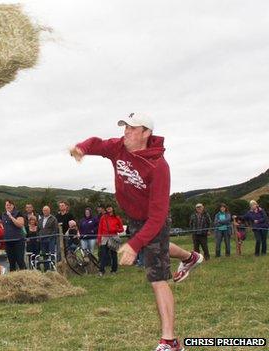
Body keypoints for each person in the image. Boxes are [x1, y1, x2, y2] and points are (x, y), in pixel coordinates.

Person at [70, 113, 201, 350]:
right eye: (125, 127)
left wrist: (134, 243)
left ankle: (170, 342)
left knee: (157, 278)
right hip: (134, 217)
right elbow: (97, 143)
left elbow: (158, 216)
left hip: (154, 220)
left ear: (146, 133)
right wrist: (81, 148)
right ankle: (189, 257)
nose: (126, 132)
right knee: (156, 248)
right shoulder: (119, 147)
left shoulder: (158, 166)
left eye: (132, 128)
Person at [97, 206, 123, 276]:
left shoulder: (117, 217)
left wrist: (116, 229)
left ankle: (114, 270)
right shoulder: (103, 217)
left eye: (110, 207)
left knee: (114, 255)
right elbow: (100, 228)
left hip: (114, 237)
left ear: (113, 209)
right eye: (107, 207)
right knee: (103, 255)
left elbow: (122, 229)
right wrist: (99, 239)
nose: (108, 208)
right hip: (104, 237)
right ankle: (101, 270)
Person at [1, 200, 26, 271]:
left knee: (19, 259)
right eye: (7, 205)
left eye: (10, 205)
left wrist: (11, 217)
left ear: (13, 206)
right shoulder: (3, 214)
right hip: (8, 241)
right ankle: (13, 278)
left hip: (18, 240)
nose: (8, 206)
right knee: (11, 261)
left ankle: (26, 276)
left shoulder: (18, 213)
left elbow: (20, 225)